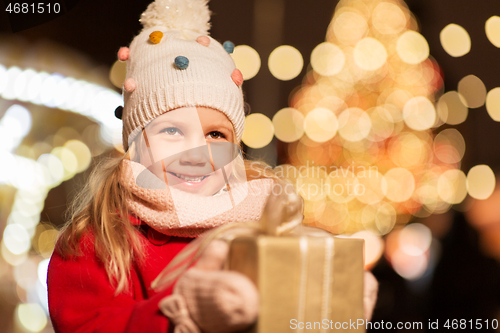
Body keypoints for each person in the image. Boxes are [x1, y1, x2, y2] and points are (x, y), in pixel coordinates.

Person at [47, 1, 378, 332]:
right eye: (172, 130)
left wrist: (333, 307)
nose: (197, 154)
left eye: (216, 134)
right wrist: (183, 314)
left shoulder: (268, 227)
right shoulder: (96, 242)